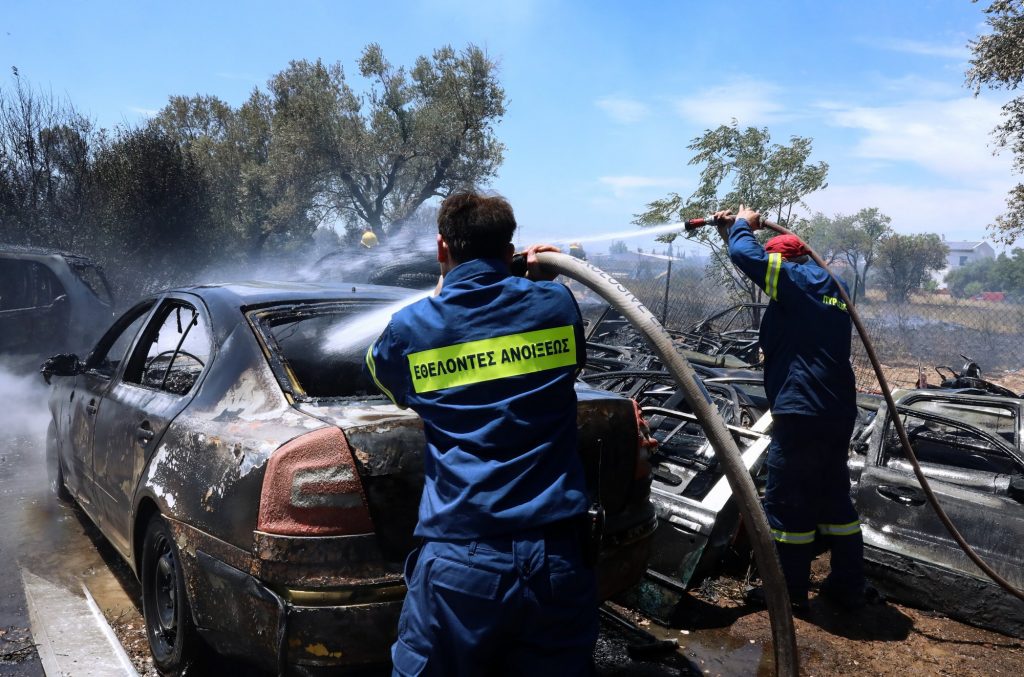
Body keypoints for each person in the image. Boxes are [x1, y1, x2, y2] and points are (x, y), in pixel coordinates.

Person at [365, 192, 597, 675]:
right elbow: (569, 358)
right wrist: (535, 277)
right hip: (558, 563)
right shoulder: (556, 304)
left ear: (441, 247)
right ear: (509, 248)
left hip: (461, 565)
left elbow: (381, 371)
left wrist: (440, 294)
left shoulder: (413, 328)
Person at [713, 204, 872, 611]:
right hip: (837, 410)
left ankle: (787, 592)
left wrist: (743, 226)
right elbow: (751, 262)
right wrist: (729, 233)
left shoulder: (794, 279)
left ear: (787, 261)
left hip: (802, 410)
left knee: (787, 503)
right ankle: (848, 584)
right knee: (835, 498)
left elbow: (749, 258)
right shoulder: (832, 287)